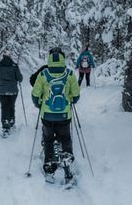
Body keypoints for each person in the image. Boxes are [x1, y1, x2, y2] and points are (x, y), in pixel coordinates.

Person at [31, 47, 80, 183]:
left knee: (48, 140)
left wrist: (39, 103)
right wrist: (70, 99)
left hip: (47, 114)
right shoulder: (70, 74)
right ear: (63, 59)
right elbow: (75, 96)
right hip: (64, 115)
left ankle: (50, 167)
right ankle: (67, 162)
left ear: (50, 58)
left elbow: (35, 95)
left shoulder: (43, 74)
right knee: (65, 138)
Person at [0, 50, 23, 135]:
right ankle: (11, 120)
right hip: (13, 91)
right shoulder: (15, 66)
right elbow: (20, 78)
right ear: (10, 56)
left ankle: (5, 124)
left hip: (2, 91)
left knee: (4, 106)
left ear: (3, 56)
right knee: (11, 105)